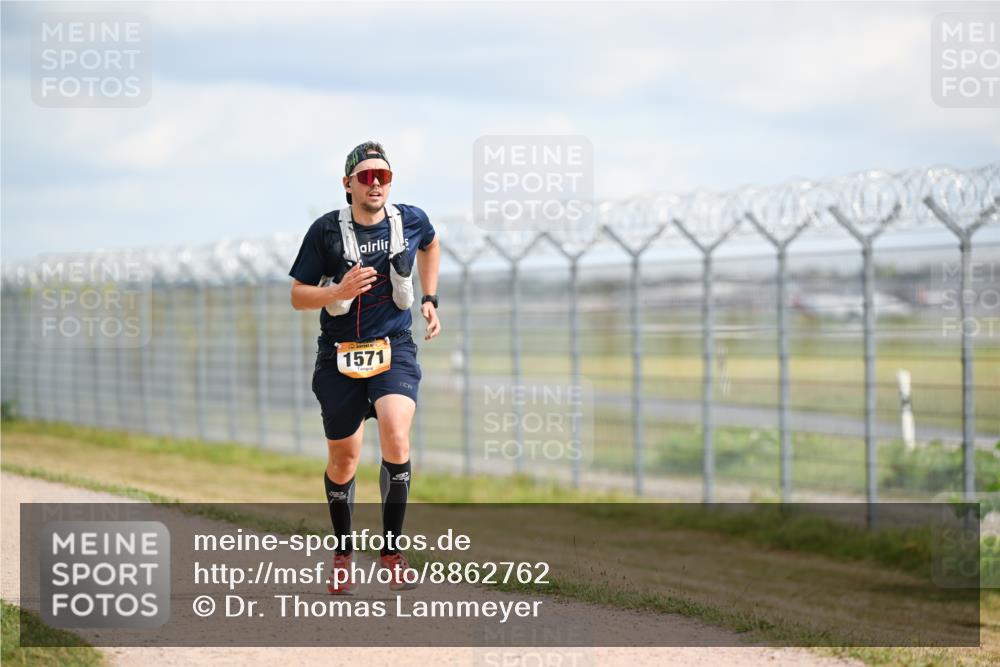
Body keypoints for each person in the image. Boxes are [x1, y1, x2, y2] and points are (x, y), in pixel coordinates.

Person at [288, 141, 441, 594]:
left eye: (384, 176)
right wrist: (338, 290)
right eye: (366, 177)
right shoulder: (326, 231)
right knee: (344, 458)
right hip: (338, 353)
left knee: (396, 430)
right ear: (348, 184)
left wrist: (429, 299)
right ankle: (343, 553)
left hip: (394, 347)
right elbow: (298, 295)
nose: (376, 184)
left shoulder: (410, 219)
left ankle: (392, 552)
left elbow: (431, 246)